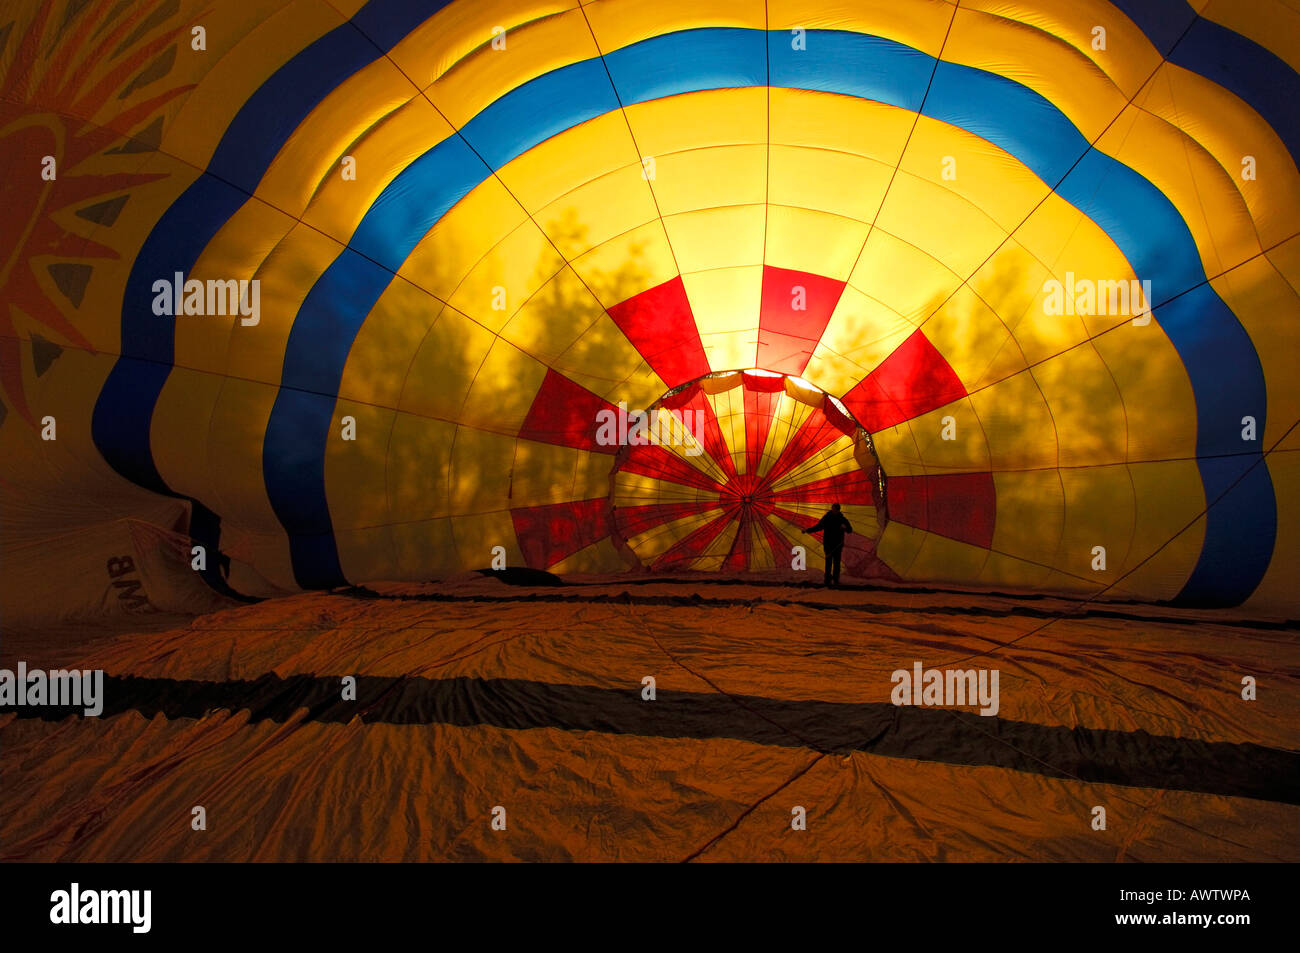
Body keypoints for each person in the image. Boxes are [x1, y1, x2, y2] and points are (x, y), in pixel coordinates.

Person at [803, 503, 853, 587]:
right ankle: (827, 580)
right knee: (829, 562)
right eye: (833, 509)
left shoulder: (842, 519)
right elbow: (818, 527)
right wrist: (808, 530)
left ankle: (835, 580)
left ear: (838, 510)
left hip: (837, 544)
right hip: (829, 544)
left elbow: (850, 530)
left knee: (836, 563)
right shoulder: (828, 518)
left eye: (835, 509)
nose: (834, 510)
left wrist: (845, 528)